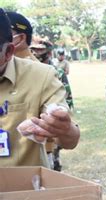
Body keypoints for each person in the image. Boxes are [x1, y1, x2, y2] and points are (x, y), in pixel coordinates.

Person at [0, 8, 80, 168]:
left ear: (8, 51)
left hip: (25, 188)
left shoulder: (41, 76)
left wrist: (63, 129)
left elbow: (70, 140)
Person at [30, 40, 74, 171]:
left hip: (52, 124)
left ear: (48, 52)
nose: (36, 53)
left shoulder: (57, 72)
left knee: (52, 160)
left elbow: (67, 97)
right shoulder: (27, 71)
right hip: (33, 127)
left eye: (40, 50)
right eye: (34, 49)